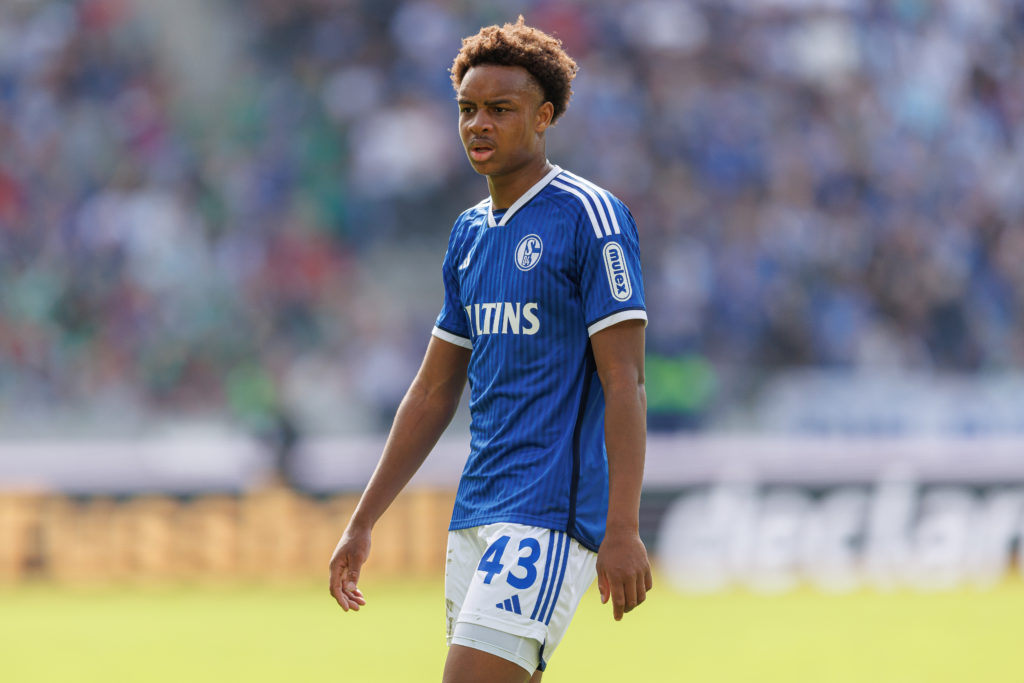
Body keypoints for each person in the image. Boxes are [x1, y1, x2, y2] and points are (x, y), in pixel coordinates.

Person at [329, 17, 651, 683]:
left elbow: (625, 380)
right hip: (476, 510)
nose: (479, 124)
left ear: (545, 116)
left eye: (500, 110)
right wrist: (362, 521)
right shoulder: (470, 234)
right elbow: (432, 391)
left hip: (548, 512)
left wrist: (622, 525)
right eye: (468, 110)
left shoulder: (590, 218)